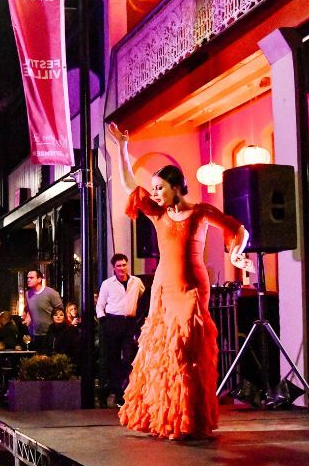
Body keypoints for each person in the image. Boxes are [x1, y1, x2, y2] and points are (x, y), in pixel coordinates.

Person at [108, 123, 248, 440]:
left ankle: (190, 418)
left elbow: (239, 230)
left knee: (185, 350)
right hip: (162, 287)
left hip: (191, 287)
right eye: (154, 188)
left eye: (160, 188)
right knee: (162, 351)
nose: (155, 193)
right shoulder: (158, 215)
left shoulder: (200, 212)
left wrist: (236, 255)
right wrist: (122, 149)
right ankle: (167, 418)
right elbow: (130, 184)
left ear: (176, 187)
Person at [96, 253, 147, 406]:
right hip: (112, 321)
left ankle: (125, 388)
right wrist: (103, 319)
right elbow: (100, 304)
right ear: (114, 268)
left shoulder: (136, 282)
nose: (122, 268)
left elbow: (142, 296)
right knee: (112, 357)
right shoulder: (107, 284)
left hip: (129, 322)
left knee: (128, 357)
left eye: (124, 265)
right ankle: (115, 391)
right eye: (119, 266)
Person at [21, 269, 63, 352]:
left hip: (49, 333)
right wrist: (28, 318)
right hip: (34, 334)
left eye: (31, 278)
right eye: (27, 278)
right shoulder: (27, 294)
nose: (28, 280)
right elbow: (30, 309)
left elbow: (60, 311)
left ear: (39, 279)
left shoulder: (51, 293)